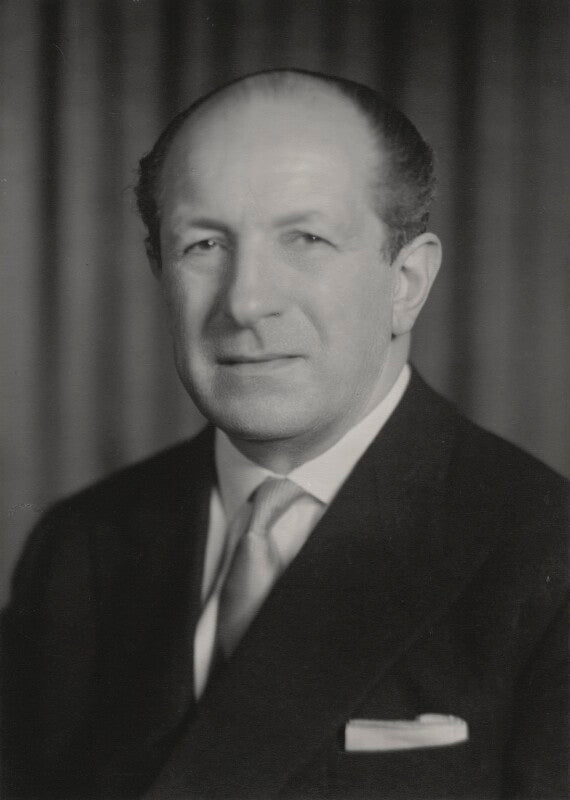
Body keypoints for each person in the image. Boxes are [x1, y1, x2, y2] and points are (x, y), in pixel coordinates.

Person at [2, 69, 567, 800]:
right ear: (160, 272)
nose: (245, 301)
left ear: (406, 282)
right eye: (204, 244)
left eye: (305, 238)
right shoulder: (81, 545)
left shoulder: (544, 554)